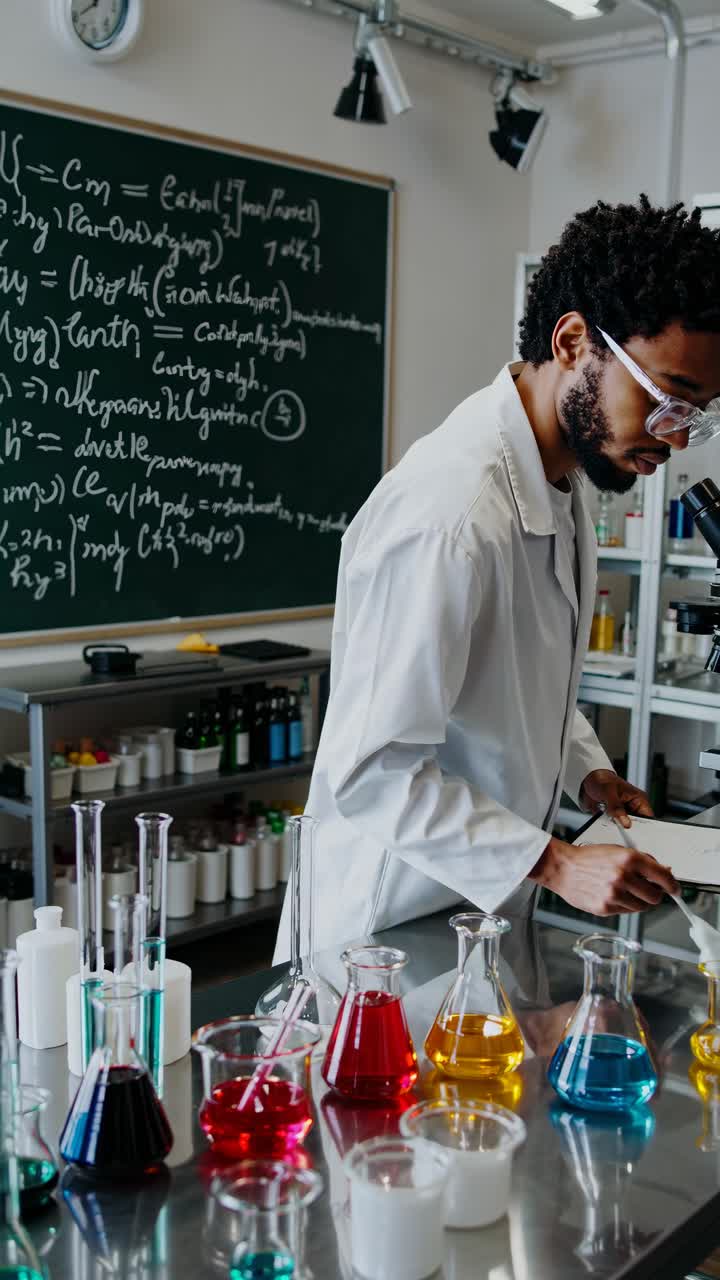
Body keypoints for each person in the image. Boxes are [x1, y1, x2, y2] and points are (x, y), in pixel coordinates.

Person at [275, 196, 720, 960]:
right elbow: (373, 771)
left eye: (701, 413)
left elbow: (519, 686)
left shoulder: (558, 483)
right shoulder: (451, 513)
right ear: (576, 341)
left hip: (472, 912)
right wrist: (556, 863)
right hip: (381, 932)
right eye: (667, 400)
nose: (676, 438)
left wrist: (589, 776)